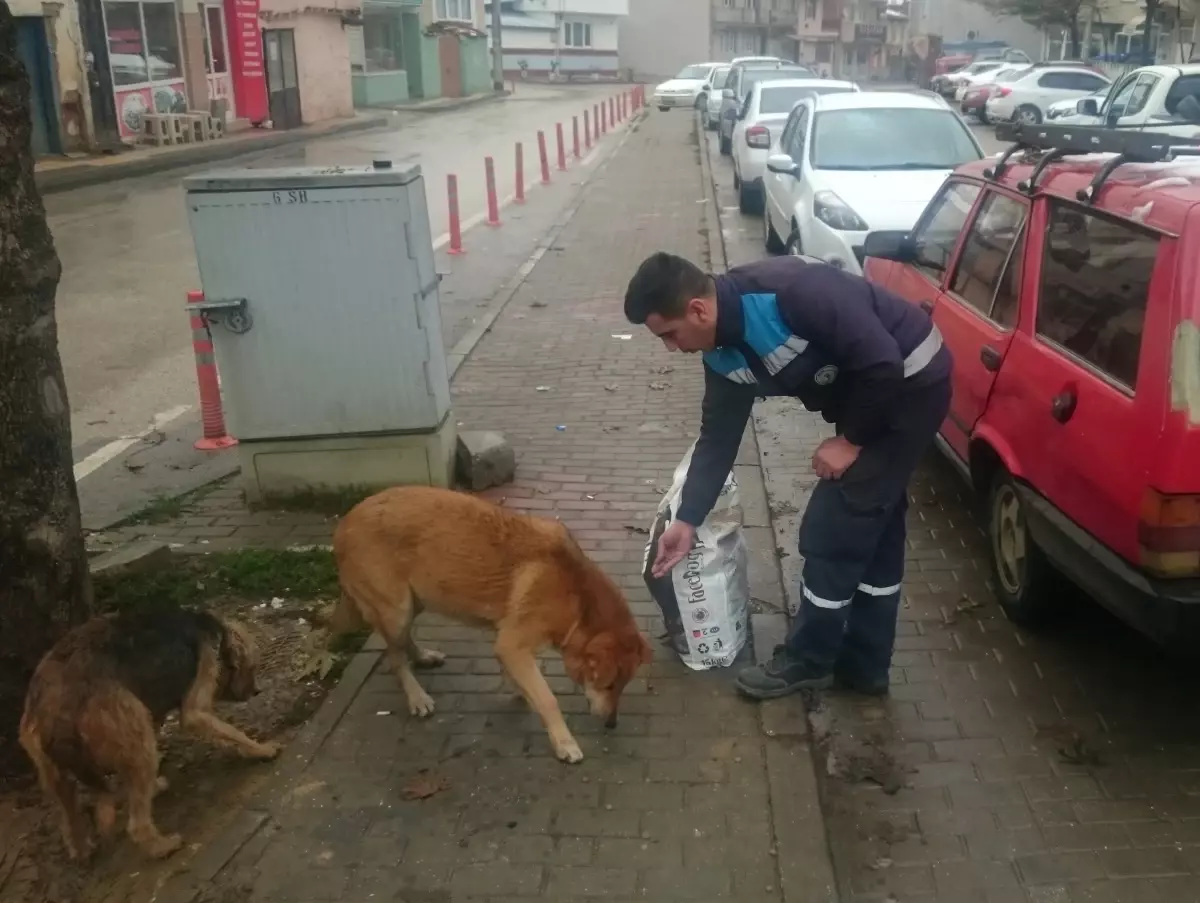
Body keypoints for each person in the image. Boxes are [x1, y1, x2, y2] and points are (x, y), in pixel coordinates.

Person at [624, 252, 952, 699]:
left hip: (909, 384)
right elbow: (717, 438)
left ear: (697, 310)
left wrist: (851, 441)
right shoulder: (721, 355)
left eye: (670, 334)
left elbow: (881, 362)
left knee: (832, 530)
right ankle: (865, 666)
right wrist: (687, 521)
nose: (671, 347)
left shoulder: (793, 293)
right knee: (875, 528)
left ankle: (809, 660)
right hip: (871, 396)